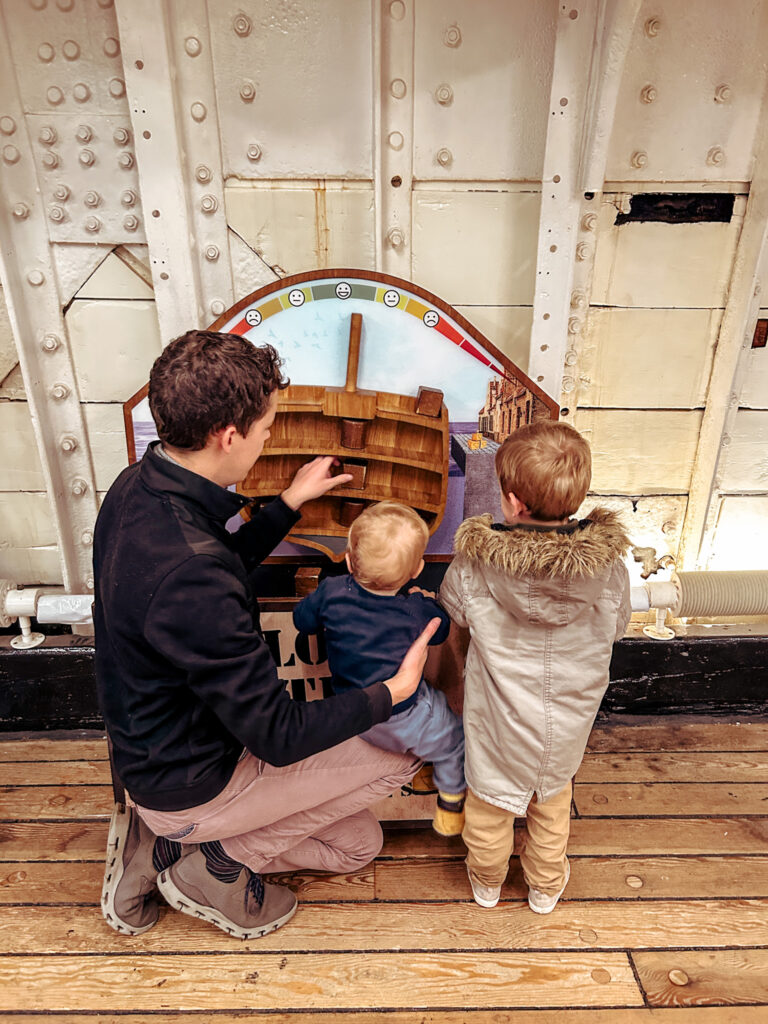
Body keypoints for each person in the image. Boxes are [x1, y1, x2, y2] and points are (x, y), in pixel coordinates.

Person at [94, 330, 439, 941]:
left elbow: (210, 563)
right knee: (409, 745)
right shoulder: (191, 574)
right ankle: (209, 864)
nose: (271, 437)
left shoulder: (136, 488)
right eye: (266, 427)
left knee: (359, 843)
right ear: (229, 436)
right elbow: (278, 737)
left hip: (152, 750)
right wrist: (394, 691)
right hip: (193, 780)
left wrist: (287, 503)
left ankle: (161, 850)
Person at [438, 419, 631, 914]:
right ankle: (544, 887)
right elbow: (617, 627)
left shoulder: (478, 562)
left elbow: (454, 611)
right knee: (551, 802)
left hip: (498, 717)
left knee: (488, 804)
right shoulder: (607, 568)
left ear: (513, 502)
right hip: (568, 719)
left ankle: (486, 881)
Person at [293, 501, 466, 836]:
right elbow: (442, 629)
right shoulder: (415, 611)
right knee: (454, 739)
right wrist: (426, 599)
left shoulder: (330, 592)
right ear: (417, 570)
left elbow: (303, 620)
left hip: (353, 712)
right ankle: (450, 806)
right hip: (405, 716)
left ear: (346, 559)